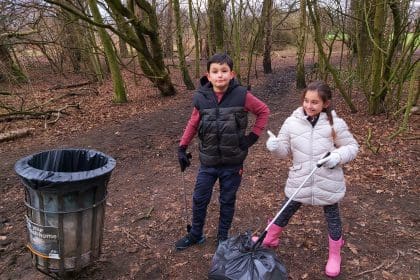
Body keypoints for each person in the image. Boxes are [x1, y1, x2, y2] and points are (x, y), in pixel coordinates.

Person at [257, 80, 358, 277]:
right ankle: (270, 237)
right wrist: (275, 146)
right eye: (306, 101)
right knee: (286, 209)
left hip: (327, 179)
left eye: (315, 102)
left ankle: (335, 254)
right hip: (300, 176)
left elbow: (352, 147)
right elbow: (284, 151)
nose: (309, 106)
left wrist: (337, 157)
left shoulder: (334, 123)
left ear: (325, 104)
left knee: (332, 217)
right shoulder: (291, 122)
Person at [176, 53, 270, 251]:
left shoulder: (242, 95)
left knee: (227, 200)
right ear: (208, 76)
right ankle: (195, 234)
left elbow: (263, 111)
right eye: (215, 72)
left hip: (233, 162)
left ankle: (222, 237)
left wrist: (252, 137)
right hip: (208, 161)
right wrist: (182, 147)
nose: (220, 75)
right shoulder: (201, 97)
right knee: (200, 197)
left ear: (232, 74)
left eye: (224, 71)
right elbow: (193, 123)